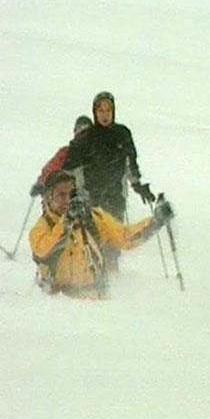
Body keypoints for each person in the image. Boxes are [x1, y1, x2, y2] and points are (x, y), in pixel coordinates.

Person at [29, 171, 174, 300]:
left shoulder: (93, 218)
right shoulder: (41, 228)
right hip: (58, 305)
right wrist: (67, 221)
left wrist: (156, 221)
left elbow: (124, 238)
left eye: (71, 194)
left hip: (96, 304)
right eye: (61, 195)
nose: (67, 200)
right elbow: (44, 252)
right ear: (48, 197)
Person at [64, 91, 156, 271]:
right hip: (90, 198)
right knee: (92, 240)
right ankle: (93, 278)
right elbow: (72, 169)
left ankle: (113, 277)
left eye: (108, 110)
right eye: (101, 110)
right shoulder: (85, 139)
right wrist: (74, 193)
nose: (105, 115)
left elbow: (130, 165)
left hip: (115, 196)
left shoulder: (122, 134)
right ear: (94, 112)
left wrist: (138, 186)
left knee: (114, 239)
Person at [29, 115, 93, 197]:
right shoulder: (67, 152)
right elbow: (50, 169)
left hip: (97, 196)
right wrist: (41, 183)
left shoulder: (98, 151)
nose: (83, 134)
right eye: (80, 129)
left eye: (86, 130)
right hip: (71, 197)